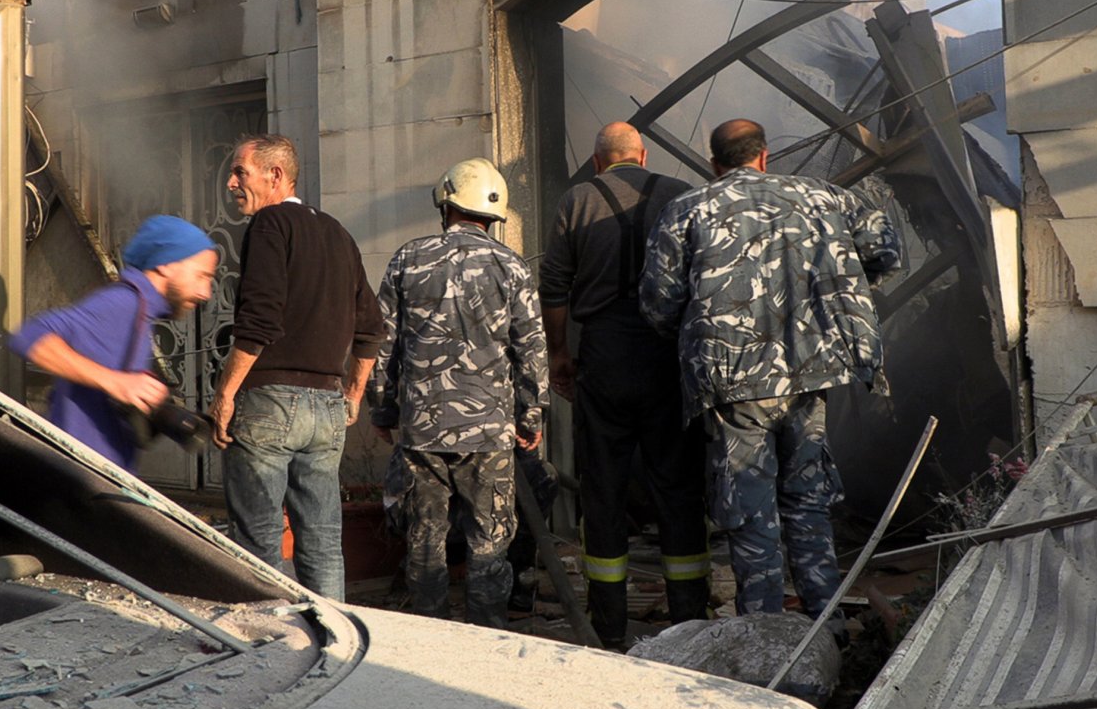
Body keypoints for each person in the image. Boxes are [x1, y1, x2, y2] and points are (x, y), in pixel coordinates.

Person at [640, 118, 902, 635]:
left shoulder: (689, 209)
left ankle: (762, 634)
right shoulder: (825, 198)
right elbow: (885, 252)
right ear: (764, 155)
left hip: (734, 383)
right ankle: (826, 625)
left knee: (749, 508)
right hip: (810, 374)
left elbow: (658, 302)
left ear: (715, 164)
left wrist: (702, 338)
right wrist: (840, 290)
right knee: (808, 499)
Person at [539, 122, 708, 647]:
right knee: (678, 486)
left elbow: (554, 289)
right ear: (644, 155)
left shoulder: (577, 200)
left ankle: (609, 627)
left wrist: (560, 354)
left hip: (605, 357)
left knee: (603, 488)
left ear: (597, 162)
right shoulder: (681, 196)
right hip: (666, 356)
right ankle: (689, 621)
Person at [369, 158, 547, 628]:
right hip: (489, 434)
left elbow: (380, 343)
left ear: (445, 203)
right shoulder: (511, 267)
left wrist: (383, 411)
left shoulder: (409, 258)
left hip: (421, 431)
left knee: (425, 539)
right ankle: (486, 640)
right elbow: (531, 351)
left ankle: (431, 639)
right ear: (493, 217)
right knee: (490, 543)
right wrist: (531, 419)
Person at [210, 133, 385, 600]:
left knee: (257, 543)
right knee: (324, 542)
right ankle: (335, 650)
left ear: (275, 175)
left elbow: (259, 319)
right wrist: (352, 394)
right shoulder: (339, 234)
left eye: (239, 172)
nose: (231, 183)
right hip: (327, 409)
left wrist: (225, 394)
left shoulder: (269, 226)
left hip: (270, 404)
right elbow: (372, 326)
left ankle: (269, 648)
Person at [10, 215, 218, 472]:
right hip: (78, 478)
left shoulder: (142, 312)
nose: (205, 292)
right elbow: (31, 335)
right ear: (166, 265)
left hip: (97, 478)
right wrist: (116, 382)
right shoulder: (122, 304)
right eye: (201, 276)